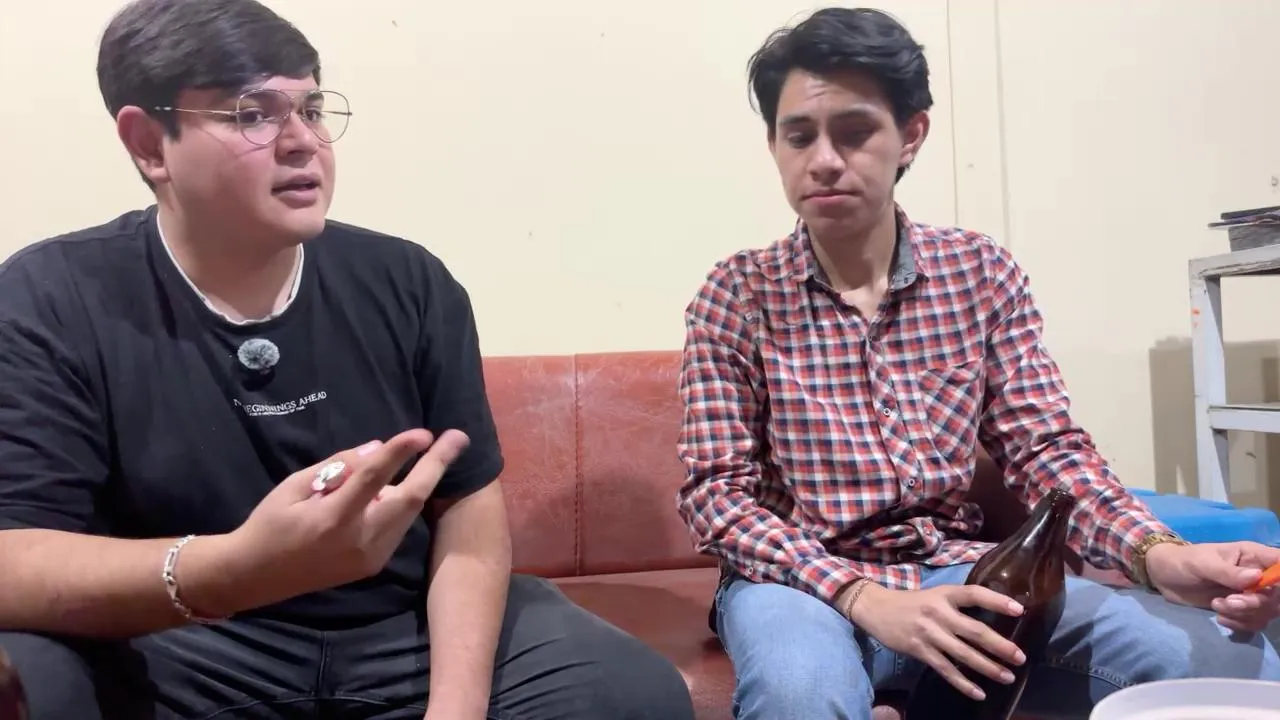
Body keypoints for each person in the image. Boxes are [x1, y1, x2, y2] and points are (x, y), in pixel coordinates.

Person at [0, 1, 696, 718]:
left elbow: (467, 503)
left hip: (400, 633)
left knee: (628, 692)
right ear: (150, 144)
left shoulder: (408, 282)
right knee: (32, 678)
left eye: (311, 109)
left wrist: (454, 709)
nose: (303, 142)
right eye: (252, 115)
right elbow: (12, 559)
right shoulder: (52, 296)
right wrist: (234, 568)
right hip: (180, 641)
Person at [674, 7, 1280, 720]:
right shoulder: (737, 293)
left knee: (1227, 658)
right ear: (774, 144)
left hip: (955, 567)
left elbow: (1045, 450)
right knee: (801, 696)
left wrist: (1159, 556)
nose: (825, 160)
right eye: (799, 135)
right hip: (797, 583)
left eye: (855, 131)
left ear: (911, 134)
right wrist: (864, 597)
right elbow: (716, 496)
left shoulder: (979, 273)